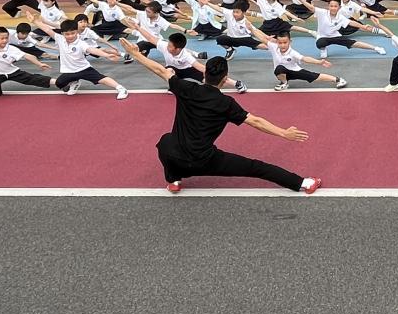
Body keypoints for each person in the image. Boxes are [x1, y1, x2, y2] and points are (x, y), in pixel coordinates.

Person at [119, 39, 321, 196]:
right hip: (204, 161)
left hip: (175, 155)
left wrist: (135, 54)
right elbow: (256, 121)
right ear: (225, 80)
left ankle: (173, 179)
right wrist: (284, 133)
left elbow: (159, 70)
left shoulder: (185, 88)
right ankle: (303, 183)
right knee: (256, 167)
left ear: (204, 74)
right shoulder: (226, 104)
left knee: (165, 141)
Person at [33, 17, 129, 99]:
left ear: (77, 32)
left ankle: (121, 88)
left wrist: (107, 55)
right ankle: (75, 82)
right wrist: (35, 21)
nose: (70, 36)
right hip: (69, 71)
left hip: (83, 69)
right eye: (67, 34)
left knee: (101, 79)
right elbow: (47, 30)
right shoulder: (60, 39)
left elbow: (92, 49)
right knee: (59, 83)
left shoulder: (81, 43)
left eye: (73, 33)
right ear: (62, 33)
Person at [0, 16, 54, 95]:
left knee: (32, 78)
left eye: (6, 38)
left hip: (12, 72)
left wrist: (39, 64)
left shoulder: (11, 49)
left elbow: (28, 56)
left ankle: (57, 82)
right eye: (2, 38)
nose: (4, 40)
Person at [293, 0, 388, 57]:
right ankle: (323, 48)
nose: (333, 8)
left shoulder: (341, 17)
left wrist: (362, 27)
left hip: (336, 36)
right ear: (328, 6)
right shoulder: (322, 12)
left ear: (339, 7)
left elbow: (351, 23)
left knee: (353, 43)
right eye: (331, 6)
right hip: (323, 37)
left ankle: (376, 48)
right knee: (319, 43)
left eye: (335, 6)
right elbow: (311, 7)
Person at [266, 31, 347, 91]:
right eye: (280, 43)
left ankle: (338, 79)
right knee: (278, 69)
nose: (282, 45)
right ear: (277, 42)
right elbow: (261, 37)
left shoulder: (293, 53)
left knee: (313, 76)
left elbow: (304, 58)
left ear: (290, 42)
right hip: (283, 73)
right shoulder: (274, 47)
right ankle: (284, 83)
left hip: (295, 71)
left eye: (285, 42)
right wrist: (252, 28)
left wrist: (319, 62)